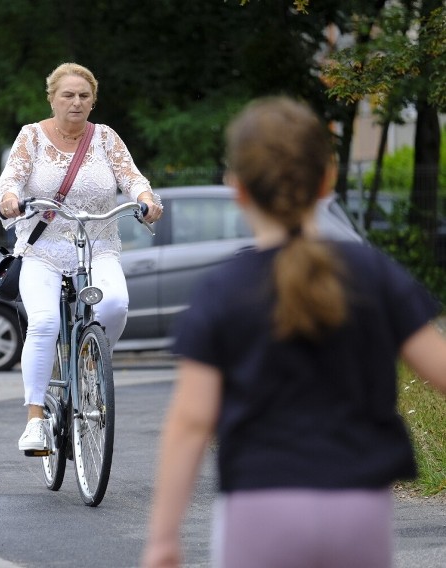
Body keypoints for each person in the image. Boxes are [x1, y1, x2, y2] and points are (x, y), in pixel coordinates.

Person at [141, 96, 446, 568]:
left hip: (259, 507)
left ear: (236, 188)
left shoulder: (223, 289)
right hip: (360, 506)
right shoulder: (372, 273)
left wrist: (163, 538)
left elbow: (191, 421)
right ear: (327, 179)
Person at [0, 62, 163, 453]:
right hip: (43, 251)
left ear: (93, 101)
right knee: (44, 321)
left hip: (98, 244)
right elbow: (12, 181)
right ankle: (35, 421)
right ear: (52, 98)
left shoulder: (104, 138)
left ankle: (91, 365)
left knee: (117, 304)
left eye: (84, 96)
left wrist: (145, 200)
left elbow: (132, 176)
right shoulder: (31, 137)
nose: (76, 102)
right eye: (67, 95)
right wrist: (9, 201)